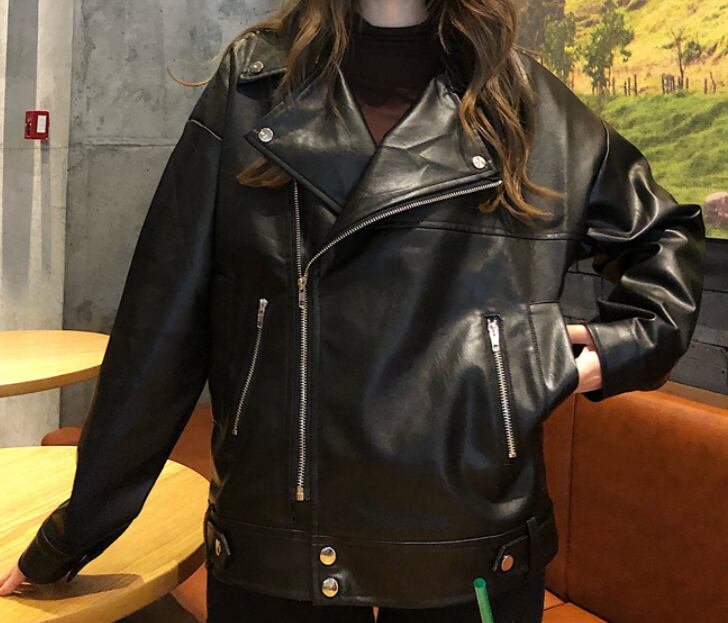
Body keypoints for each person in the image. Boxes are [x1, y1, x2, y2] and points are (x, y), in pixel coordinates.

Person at [1, 0, 705, 621]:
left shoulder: (528, 104)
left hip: (469, 550)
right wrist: (72, 533)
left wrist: (576, 355)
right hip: (277, 548)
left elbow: (665, 245)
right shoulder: (254, 85)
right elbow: (162, 321)